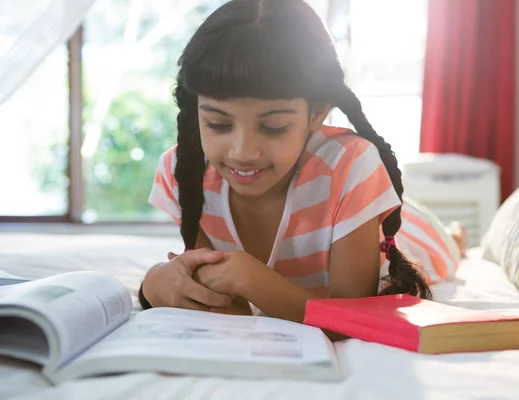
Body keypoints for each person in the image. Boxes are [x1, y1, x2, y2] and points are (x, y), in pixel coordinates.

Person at [138, 0, 431, 323]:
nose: (243, 152)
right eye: (218, 124)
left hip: (402, 232)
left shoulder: (352, 166)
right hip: (354, 210)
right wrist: (153, 283)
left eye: (273, 127)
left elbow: (353, 319)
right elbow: (226, 307)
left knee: (438, 241)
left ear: (318, 112)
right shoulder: (184, 172)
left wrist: (251, 278)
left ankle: (454, 234)